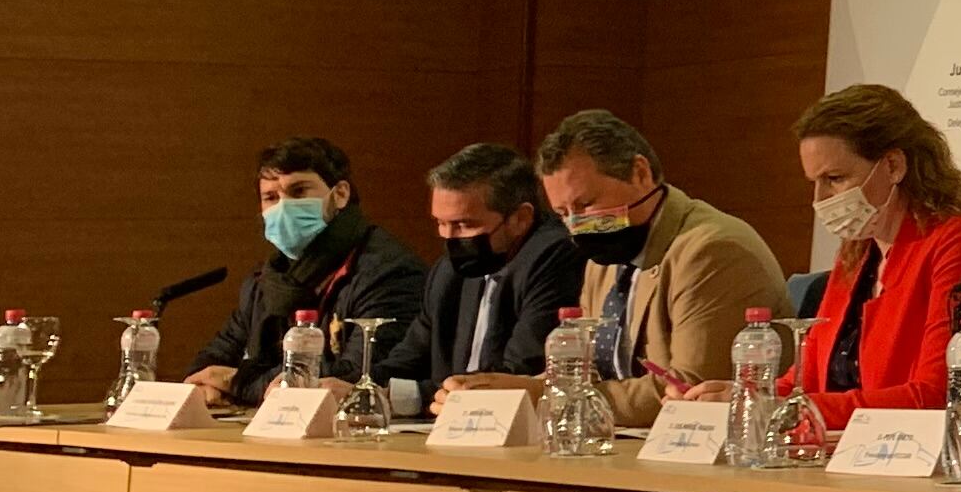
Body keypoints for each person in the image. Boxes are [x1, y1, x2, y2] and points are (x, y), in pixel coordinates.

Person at [774, 85, 961, 431]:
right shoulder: (856, 251)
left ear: (894, 166)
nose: (820, 198)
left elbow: (938, 396)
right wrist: (743, 398)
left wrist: (799, 410)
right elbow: (804, 379)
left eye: (834, 179)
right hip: (848, 451)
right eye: (815, 182)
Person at [537, 109, 788, 431]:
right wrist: (503, 393)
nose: (575, 226)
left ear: (640, 173)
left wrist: (548, 397)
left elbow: (689, 389)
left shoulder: (711, 249)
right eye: (562, 213)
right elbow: (583, 373)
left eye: (586, 205)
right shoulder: (601, 261)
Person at [189, 138, 428, 404]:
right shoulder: (267, 278)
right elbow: (213, 360)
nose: (283, 207)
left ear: (340, 195)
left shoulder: (388, 271)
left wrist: (238, 383)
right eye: (271, 197)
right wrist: (205, 383)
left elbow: (359, 374)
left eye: (299, 191)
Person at [407, 143, 582, 403]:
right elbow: (409, 356)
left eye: (463, 225)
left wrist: (413, 397)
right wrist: (361, 391)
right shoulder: (448, 271)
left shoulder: (554, 255)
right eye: (441, 224)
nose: (448, 238)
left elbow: (516, 374)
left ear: (521, 219)